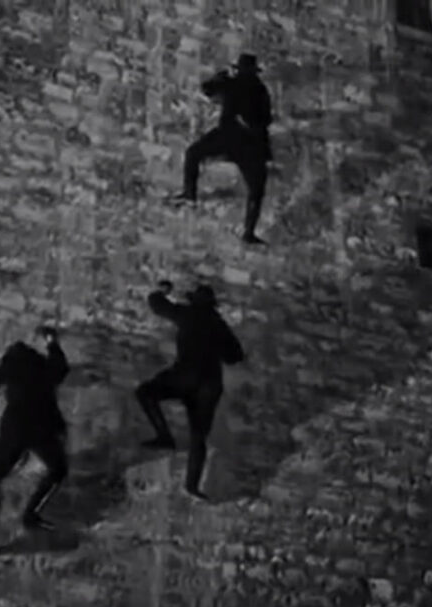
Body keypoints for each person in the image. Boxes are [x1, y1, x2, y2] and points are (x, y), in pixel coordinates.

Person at [135, 281, 245, 499]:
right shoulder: (219, 324)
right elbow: (235, 356)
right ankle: (192, 486)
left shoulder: (187, 314)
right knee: (198, 437)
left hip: (183, 377)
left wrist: (162, 290)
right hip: (209, 385)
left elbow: (157, 304)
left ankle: (164, 436)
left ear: (194, 301)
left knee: (145, 393)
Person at [0, 326, 69, 555]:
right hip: (44, 427)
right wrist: (53, 343)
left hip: (17, 429)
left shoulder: (10, 364)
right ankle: (31, 514)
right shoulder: (43, 365)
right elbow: (62, 368)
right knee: (58, 470)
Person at [170, 53, 273, 245]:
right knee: (256, 190)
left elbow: (207, 89)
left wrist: (220, 79)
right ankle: (248, 232)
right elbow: (208, 89)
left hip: (239, 140)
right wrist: (219, 78)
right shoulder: (254, 88)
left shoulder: (249, 88)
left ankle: (190, 194)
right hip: (245, 142)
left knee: (194, 154)